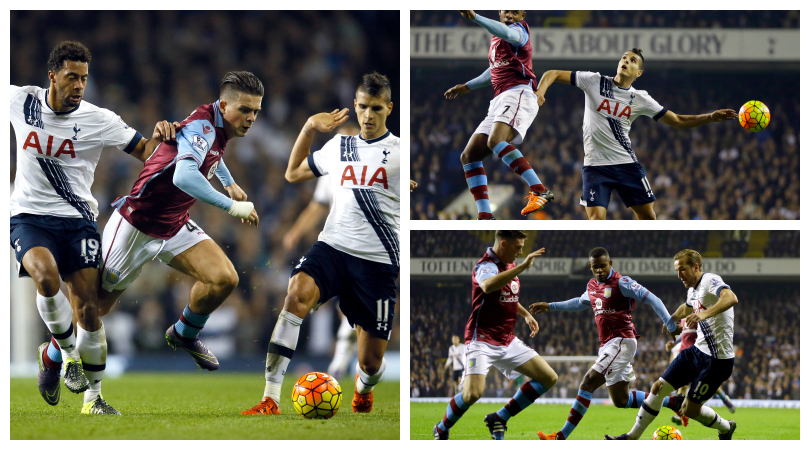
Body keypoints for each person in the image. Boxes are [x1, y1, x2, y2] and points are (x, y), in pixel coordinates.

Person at [10, 41, 172, 414]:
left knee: (89, 311)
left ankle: (92, 398)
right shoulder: (20, 101)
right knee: (47, 278)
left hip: (79, 219)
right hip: (30, 216)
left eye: (84, 78)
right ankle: (69, 359)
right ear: (52, 76)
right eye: (71, 77)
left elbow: (145, 150)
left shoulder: (99, 118)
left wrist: (163, 138)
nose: (79, 85)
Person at [242, 72, 399, 415]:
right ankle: (270, 398)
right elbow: (293, 172)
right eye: (362, 107)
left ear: (388, 108)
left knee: (370, 361)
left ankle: (364, 387)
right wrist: (310, 128)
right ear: (355, 107)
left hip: (377, 261)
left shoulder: (403, 153)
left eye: (376, 108)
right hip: (333, 247)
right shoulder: (339, 146)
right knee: (296, 293)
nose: (368, 115)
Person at [97, 72, 262, 396]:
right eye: (245, 110)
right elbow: (184, 177)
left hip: (173, 223)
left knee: (224, 278)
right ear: (224, 104)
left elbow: (208, 155)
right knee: (96, 307)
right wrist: (230, 205)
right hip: (136, 224)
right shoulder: (204, 125)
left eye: (256, 111)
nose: (251, 118)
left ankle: (184, 332)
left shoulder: (217, 125)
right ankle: (54, 354)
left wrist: (227, 180)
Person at [534, 49, 738, 220]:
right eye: (624, 57)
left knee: (649, 219)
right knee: (596, 221)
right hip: (595, 167)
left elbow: (677, 121)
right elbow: (552, 73)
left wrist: (711, 117)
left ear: (638, 72)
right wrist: (541, 91)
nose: (626, 61)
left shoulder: (641, 99)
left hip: (626, 165)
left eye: (632, 61)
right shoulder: (594, 81)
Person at [528, 247, 683, 440]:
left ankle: (560, 436)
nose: (600, 270)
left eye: (603, 266)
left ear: (610, 263)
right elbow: (579, 302)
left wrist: (669, 323)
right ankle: (674, 403)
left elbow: (653, 299)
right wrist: (550, 306)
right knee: (621, 400)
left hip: (622, 340)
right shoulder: (592, 286)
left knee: (588, 382)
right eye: (595, 267)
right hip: (608, 344)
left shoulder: (622, 282)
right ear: (590, 267)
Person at [433, 230, 557, 440]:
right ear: (503, 244)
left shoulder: (508, 265)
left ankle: (500, 417)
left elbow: (506, 295)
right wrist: (523, 266)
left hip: (507, 340)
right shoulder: (486, 266)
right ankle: (442, 427)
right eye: (518, 247)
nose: (520, 252)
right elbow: (488, 285)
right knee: (472, 394)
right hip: (481, 339)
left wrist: (526, 314)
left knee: (548, 378)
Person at [606, 249, 738, 440]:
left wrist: (704, 314)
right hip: (696, 351)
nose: (679, 275)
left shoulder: (710, 280)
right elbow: (687, 307)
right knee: (658, 387)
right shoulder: (692, 290)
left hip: (717, 361)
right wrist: (672, 318)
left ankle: (726, 428)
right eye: (677, 271)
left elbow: (730, 298)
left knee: (689, 410)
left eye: (682, 270)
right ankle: (631, 437)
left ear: (696, 267)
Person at [444, 10, 553, 219]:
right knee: (469, 156)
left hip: (518, 92)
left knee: (496, 141)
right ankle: (485, 215)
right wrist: (467, 86)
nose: (510, 14)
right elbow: (493, 70)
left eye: (515, 11)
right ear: (499, 12)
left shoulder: (520, 31)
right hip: (499, 99)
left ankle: (539, 189)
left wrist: (475, 18)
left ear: (523, 13)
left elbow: (509, 34)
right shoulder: (497, 39)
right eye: (506, 10)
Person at [282, 123, 362, 380]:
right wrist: (295, 231)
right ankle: (340, 362)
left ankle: (348, 361)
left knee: (353, 308)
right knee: (343, 303)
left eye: (348, 138)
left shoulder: (372, 166)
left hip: (368, 245)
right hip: (337, 241)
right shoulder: (331, 169)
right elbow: (317, 205)